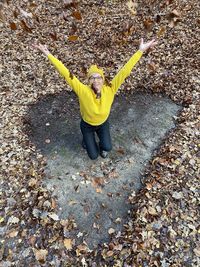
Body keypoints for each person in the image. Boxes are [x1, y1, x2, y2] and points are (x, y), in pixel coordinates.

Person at [32, 38, 157, 160]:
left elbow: (125, 70)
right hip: (87, 125)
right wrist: (47, 53)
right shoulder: (82, 90)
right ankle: (87, 140)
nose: (96, 80)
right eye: (92, 78)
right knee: (93, 156)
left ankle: (99, 143)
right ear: (89, 81)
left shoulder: (110, 88)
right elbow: (65, 72)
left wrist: (140, 51)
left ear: (103, 80)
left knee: (107, 147)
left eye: (99, 77)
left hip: (103, 124)